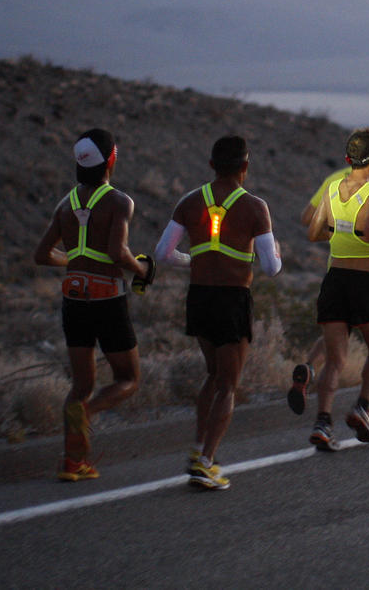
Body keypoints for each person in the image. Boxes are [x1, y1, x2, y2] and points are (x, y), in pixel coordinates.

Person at [154, 135, 282, 490]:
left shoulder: (189, 202)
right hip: (232, 300)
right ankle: (206, 462)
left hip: (198, 298)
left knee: (212, 375)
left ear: (212, 165)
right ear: (245, 166)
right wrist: (279, 254)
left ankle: (198, 450)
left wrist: (193, 260)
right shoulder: (256, 207)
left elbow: (163, 253)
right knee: (228, 385)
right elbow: (271, 268)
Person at [34, 128, 153, 482]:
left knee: (81, 384)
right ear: (111, 160)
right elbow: (118, 253)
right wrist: (142, 269)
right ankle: (87, 415)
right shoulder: (119, 202)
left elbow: (41, 255)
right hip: (107, 298)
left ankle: (73, 463)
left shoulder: (64, 204)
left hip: (74, 298)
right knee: (128, 379)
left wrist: (75, 260)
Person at [289, 128, 369, 424]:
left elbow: (310, 223)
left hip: (336, 272)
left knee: (336, 347)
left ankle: (317, 400)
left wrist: (340, 230)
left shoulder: (334, 184)